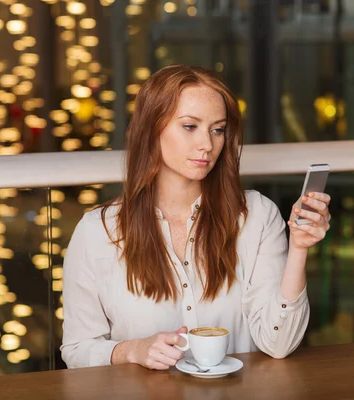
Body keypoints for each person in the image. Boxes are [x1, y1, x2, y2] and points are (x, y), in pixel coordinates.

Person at [60, 64, 331, 370]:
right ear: (151, 129)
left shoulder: (257, 216)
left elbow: (278, 344)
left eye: (217, 129)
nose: (208, 144)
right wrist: (131, 350)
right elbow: (78, 350)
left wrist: (299, 249)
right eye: (190, 127)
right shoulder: (97, 232)